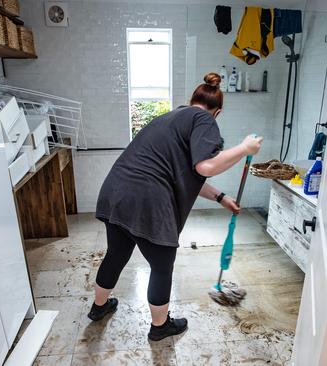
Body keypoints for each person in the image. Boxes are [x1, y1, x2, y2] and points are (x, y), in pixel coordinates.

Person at [89, 72, 264, 341]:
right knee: (161, 267)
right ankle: (160, 327)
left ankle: (99, 307)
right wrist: (244, 148)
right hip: (146, 200)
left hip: (116, 192)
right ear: (217, 112)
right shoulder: (204, 119)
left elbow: (187, 175)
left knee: (116, 254)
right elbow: (205, 166)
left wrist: (220, 197)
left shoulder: (170, 118)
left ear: (191, 100)